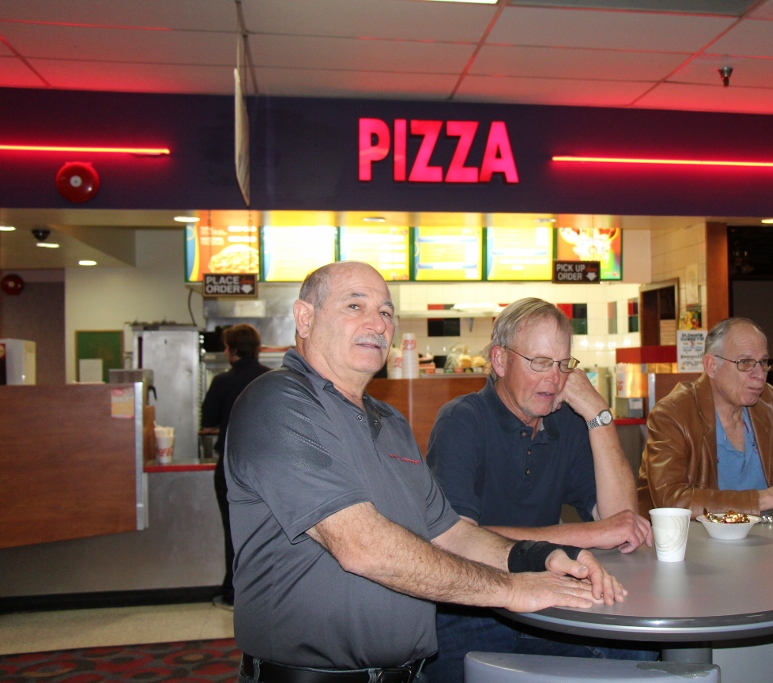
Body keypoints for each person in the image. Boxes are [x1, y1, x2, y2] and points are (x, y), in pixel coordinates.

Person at [225, 262, 626, 683]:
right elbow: (364, 547)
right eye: (355, 305)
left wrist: (538, 557)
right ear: (305, 318)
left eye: (385, 311)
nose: (376, 323)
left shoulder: (390, 422)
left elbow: (451, 533)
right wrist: (512, 589)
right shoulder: (277, 402)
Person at [425, 297, 656, 682]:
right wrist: (586, 535)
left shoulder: (565, 422)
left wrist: (598, 415)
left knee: (635, 654)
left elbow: (621, 524)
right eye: (540, 363)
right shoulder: (461, 421)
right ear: (500, 361)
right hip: (471, 609)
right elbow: (453, 539)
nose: (555, 378)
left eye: (563, 365)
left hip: (545, 601)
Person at [638, 317, 773, 516]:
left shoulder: (771, 402)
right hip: (701, 542)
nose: (759, 374)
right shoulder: (673, 414)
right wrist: (768, 497)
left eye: (764, 362)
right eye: (746, 362)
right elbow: (671, 501)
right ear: (712, 366)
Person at [199, 323, 271, 609]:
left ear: (230, 351)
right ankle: (266, 591)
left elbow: (207, 422)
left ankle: (234, 592)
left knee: (234, 529)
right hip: (269, 467)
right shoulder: (273, 378)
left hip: (231, 467)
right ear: (258, 348)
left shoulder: (222, 382)